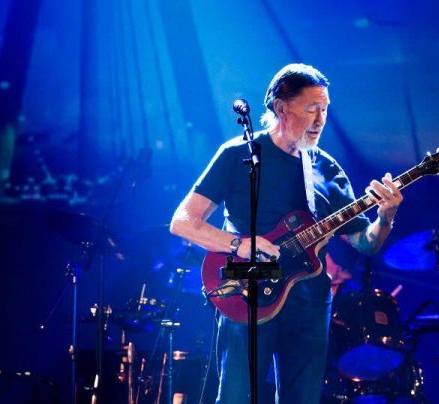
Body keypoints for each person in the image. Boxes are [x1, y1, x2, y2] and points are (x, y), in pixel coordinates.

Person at [169, 63, 403, 403]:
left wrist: (386, 216)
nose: (320, 120)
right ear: (281, 107)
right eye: (311, 109)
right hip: (249, 292)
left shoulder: (327, 169)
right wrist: (240, 245)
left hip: (310, 303)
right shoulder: (239, 155)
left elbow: (365, 243)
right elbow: (182, 221)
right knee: (235, 397)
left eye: (324, 110)